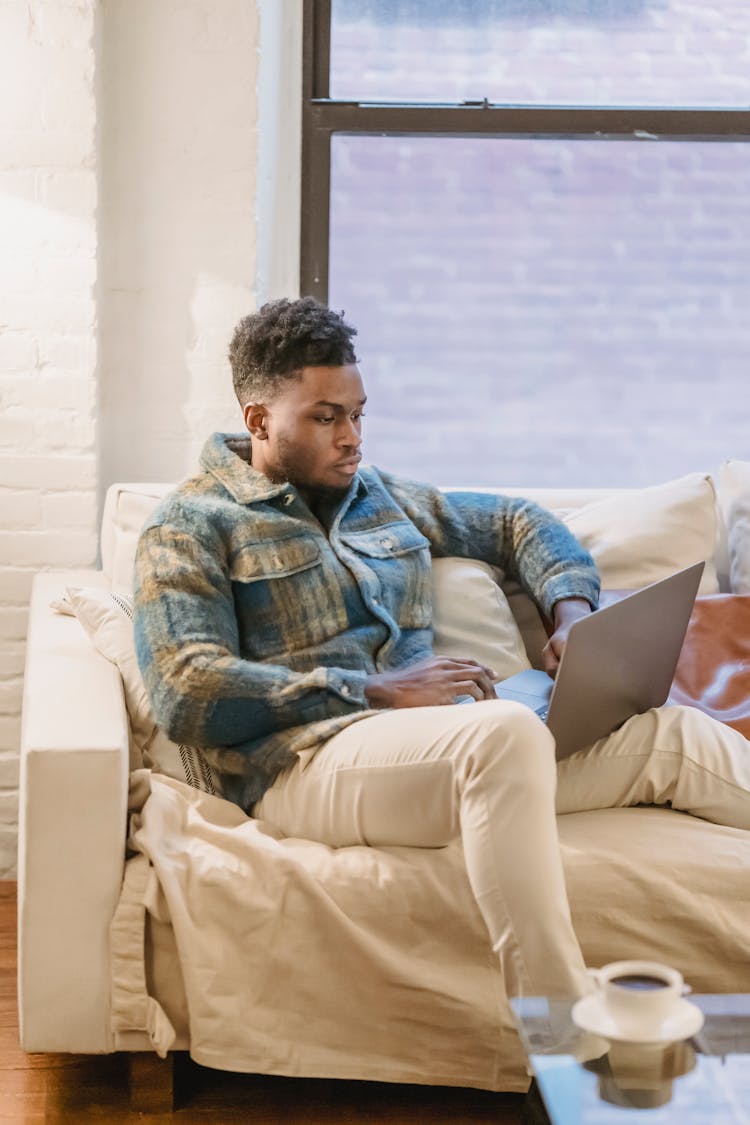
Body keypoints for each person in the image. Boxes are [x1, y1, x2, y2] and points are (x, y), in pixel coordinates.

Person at [134, 296, 750, 1005]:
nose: (351, 437)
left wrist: (572, 613)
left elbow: (520, 521)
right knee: (504, 731)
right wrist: (375, 690)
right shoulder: (190, 525)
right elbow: (186, 688)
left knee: (668, 735)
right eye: (326, 416)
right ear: (258, 420)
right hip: (306, 766)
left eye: (358, 413)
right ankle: (560, 1032)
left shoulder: (379, 497)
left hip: (449, 749)